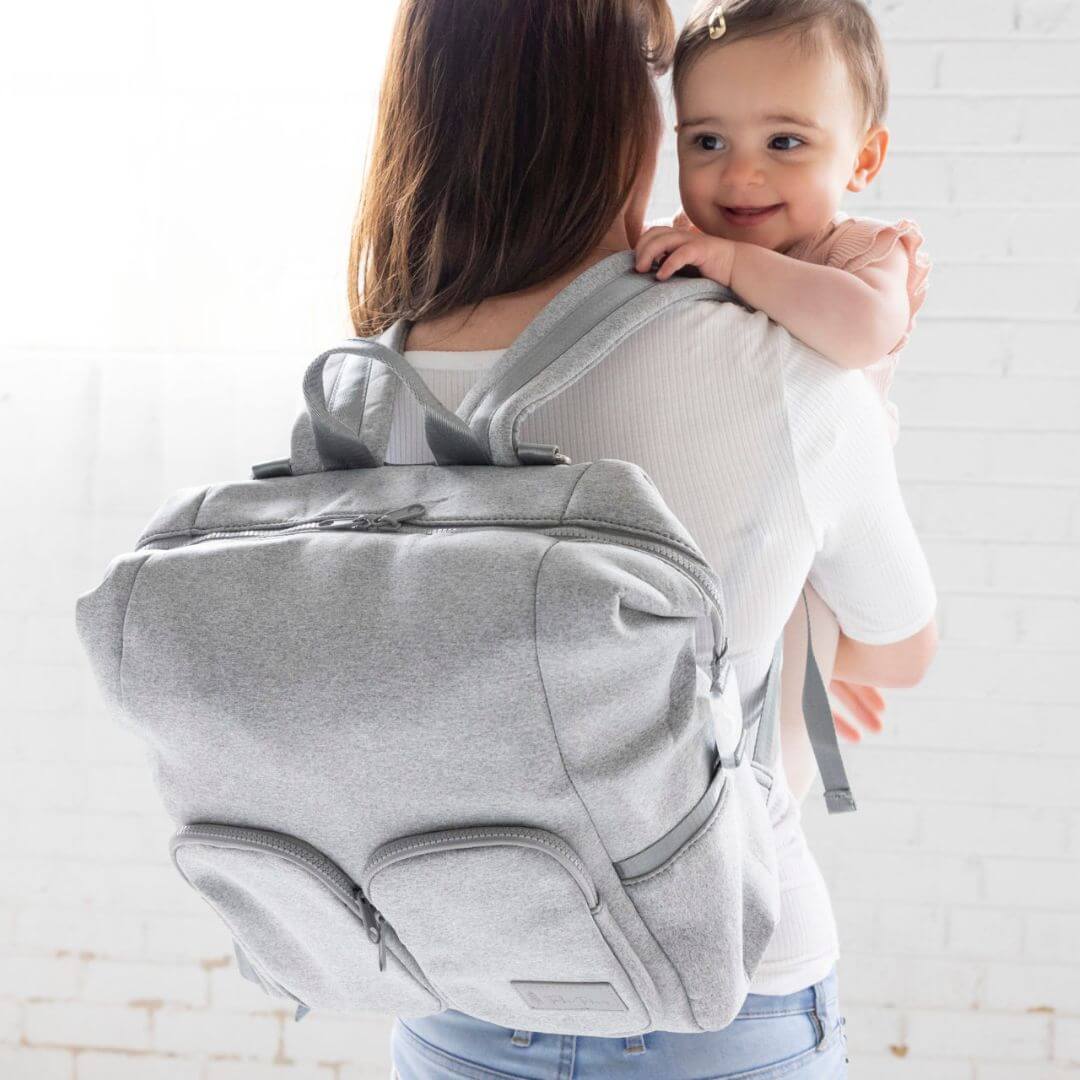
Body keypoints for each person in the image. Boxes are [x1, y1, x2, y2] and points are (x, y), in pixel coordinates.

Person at [348, 1, 938, 1076]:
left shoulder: (364, 380)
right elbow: (899, 651)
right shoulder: (784, 363)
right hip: (719, 990)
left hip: (456, 979)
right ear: (629, 109)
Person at [632, 0, 932, 766]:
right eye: (707, 140)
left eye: (785, 141)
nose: (740, 173)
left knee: (781, 748)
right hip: (736, 521)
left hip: (823, 532)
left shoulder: (866, 254)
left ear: (863, 159)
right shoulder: (694, 240)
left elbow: (865, 329)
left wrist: (737, 265)